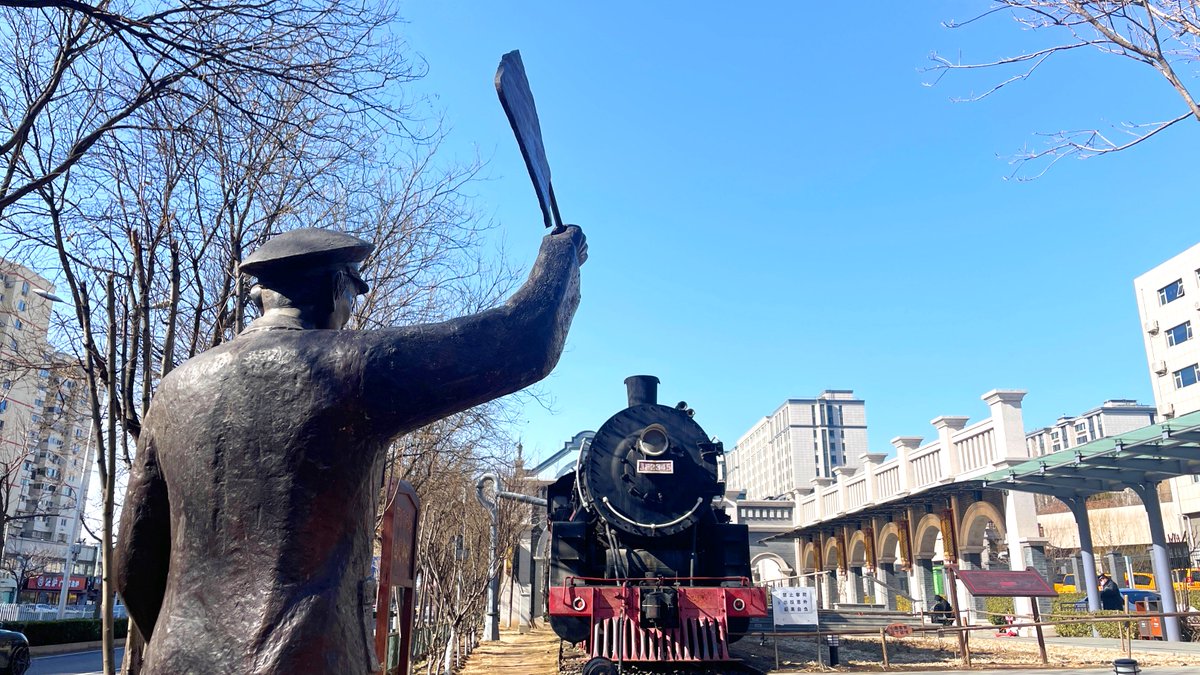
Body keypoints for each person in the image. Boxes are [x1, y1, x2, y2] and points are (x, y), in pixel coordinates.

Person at [116, 225, 587, 674]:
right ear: (335, 289)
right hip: (303, 660)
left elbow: (134, 565)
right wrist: (561, 258)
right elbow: (522, 342)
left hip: (175, 659)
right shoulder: (347, 369)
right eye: (352, 293)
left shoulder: (174, 390)